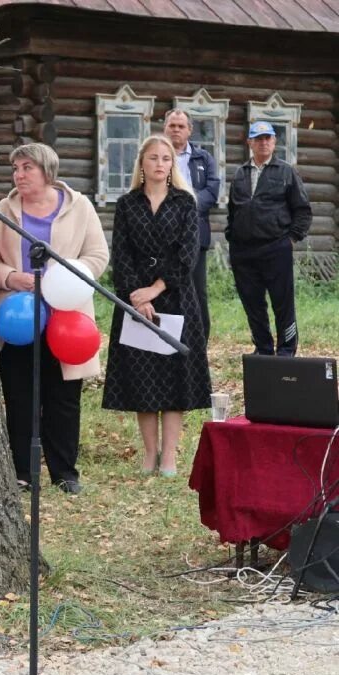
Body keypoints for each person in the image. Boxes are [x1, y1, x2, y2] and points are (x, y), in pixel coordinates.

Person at [0, 143, 109, 496]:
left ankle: (64, 472)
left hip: (67, 318)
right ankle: (23, 472)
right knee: (20, 394)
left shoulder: (80, 207)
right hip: (19, 315)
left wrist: (70, 276)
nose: (19, 175)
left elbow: (98, 255)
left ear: (47, 171)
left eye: (27, 167)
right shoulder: (2, 210)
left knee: (64, 396)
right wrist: (11, 277)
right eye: (16, 168)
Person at [102, 135, 211, 476]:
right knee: (142, 377)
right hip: (136, 302)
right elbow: (120, 255)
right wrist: (137, 294)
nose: (160, 163)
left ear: (172, 165)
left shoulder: (184, 203)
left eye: (166, 158)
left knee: (174, 378)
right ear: (142, 163)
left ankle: (169, 458)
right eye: (153, 157)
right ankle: (149, 455)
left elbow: (188, 254)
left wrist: (156, 288)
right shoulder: (126, 204)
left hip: (176, 296)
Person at [226, 121, 312, 356]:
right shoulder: (240, 173)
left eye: (268, 138)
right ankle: (263, 349)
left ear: (274, 142)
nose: (263, 142)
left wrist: (291, 239)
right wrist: (232, 239)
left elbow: (302, 209)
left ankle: (286, 351)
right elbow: (233, 211)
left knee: (282, 304)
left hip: (276, 248)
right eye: (258, 138)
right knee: (253, 305)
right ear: (250, 143)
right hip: (244, 252)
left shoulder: (286, 171)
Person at [163, 108, 220, 341]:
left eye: (181, 126)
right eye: (172, 125)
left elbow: (212, 190)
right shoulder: (156, 156)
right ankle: (167, 342)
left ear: (190, 131)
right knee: (165, 287)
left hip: (195, 234)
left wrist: (186, 207)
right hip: (163, 233)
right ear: (165, 128)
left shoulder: (203, 158)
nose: (176, 130)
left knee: (197, 291)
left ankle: (199, 343)